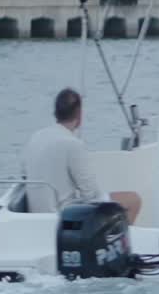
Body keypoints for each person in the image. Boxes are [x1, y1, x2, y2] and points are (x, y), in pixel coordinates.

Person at [23, 88, 142, 224]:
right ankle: (122, 244)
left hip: (36, 217)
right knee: (133, 200)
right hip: (64, 218)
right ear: (79, 115)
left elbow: (25, 175)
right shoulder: (73, 144)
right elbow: (91, 195)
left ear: (56, 112)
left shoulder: (36, 137)